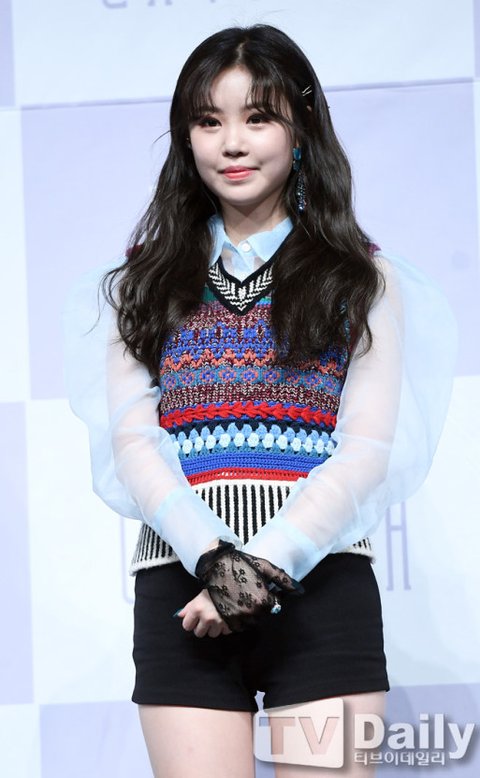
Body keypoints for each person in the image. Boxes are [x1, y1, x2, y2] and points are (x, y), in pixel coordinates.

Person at [63, 24, 456, 778]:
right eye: (209, 121)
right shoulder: (139, 285)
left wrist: (260, 567)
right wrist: (215, 559)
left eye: (258, 117)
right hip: (184, 590)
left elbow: (368, 450)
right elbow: (134, 442)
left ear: (300, 130)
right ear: (186, 138)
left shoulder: (362, 279)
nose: (232, 143)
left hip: (322, 588)